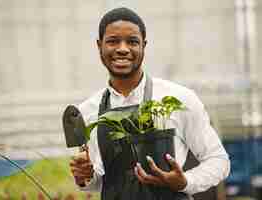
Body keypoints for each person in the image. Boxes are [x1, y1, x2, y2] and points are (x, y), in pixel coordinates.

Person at [69, 7, 230, 200]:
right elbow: (99, 183)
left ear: (144, 46)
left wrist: (185, 182)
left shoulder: (179, 98)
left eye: (132, 42)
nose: (122, 48)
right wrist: (84, 177)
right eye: (112, 41)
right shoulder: (88, 111)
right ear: (99, 46)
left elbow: (218, 160)